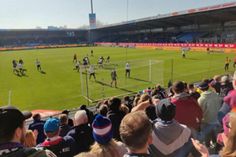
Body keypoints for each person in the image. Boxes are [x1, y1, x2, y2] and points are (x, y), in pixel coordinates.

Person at [197, 81, 222, 148]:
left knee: (207, 137)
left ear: (200, 89)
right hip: (216, 119)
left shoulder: (201, 99)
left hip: (207, 121)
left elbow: (200, 112)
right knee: (215, 137)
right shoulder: (215, 94)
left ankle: (208, 147)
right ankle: (215, 147)